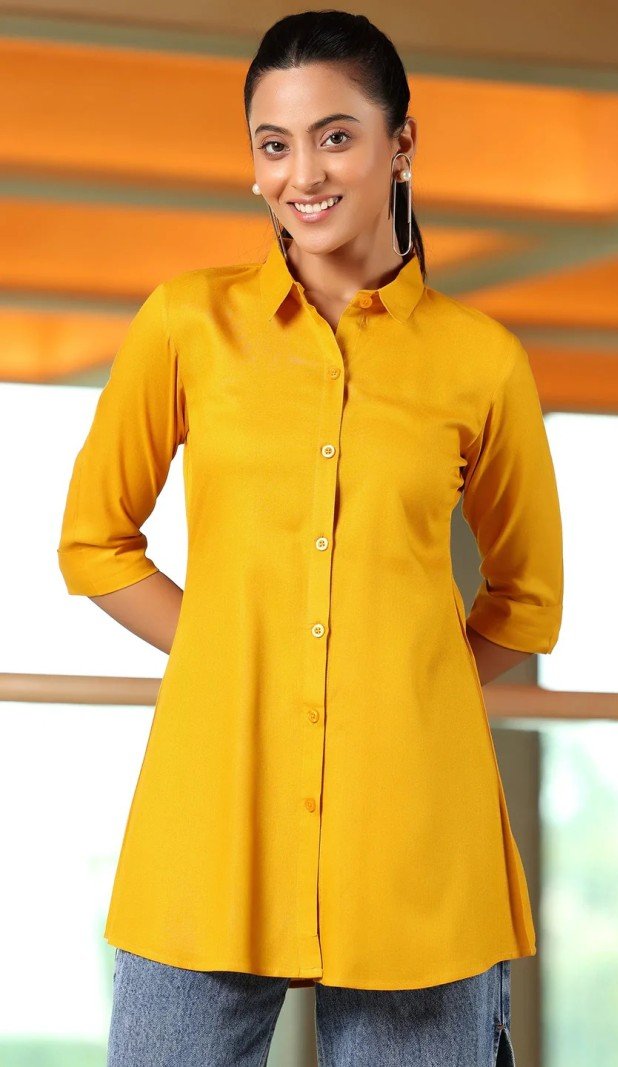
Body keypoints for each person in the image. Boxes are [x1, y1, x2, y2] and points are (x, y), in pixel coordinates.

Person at [57, 10, 563, 1066]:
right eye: (274, 144)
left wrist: (403, 680)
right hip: (210, 820)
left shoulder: (482, 361)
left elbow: (526, 601)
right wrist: (237, 652)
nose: (303, 174)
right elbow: (94, 540)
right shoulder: (186, 324)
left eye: (335, 136)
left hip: (417, 839)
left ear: (401, 145)